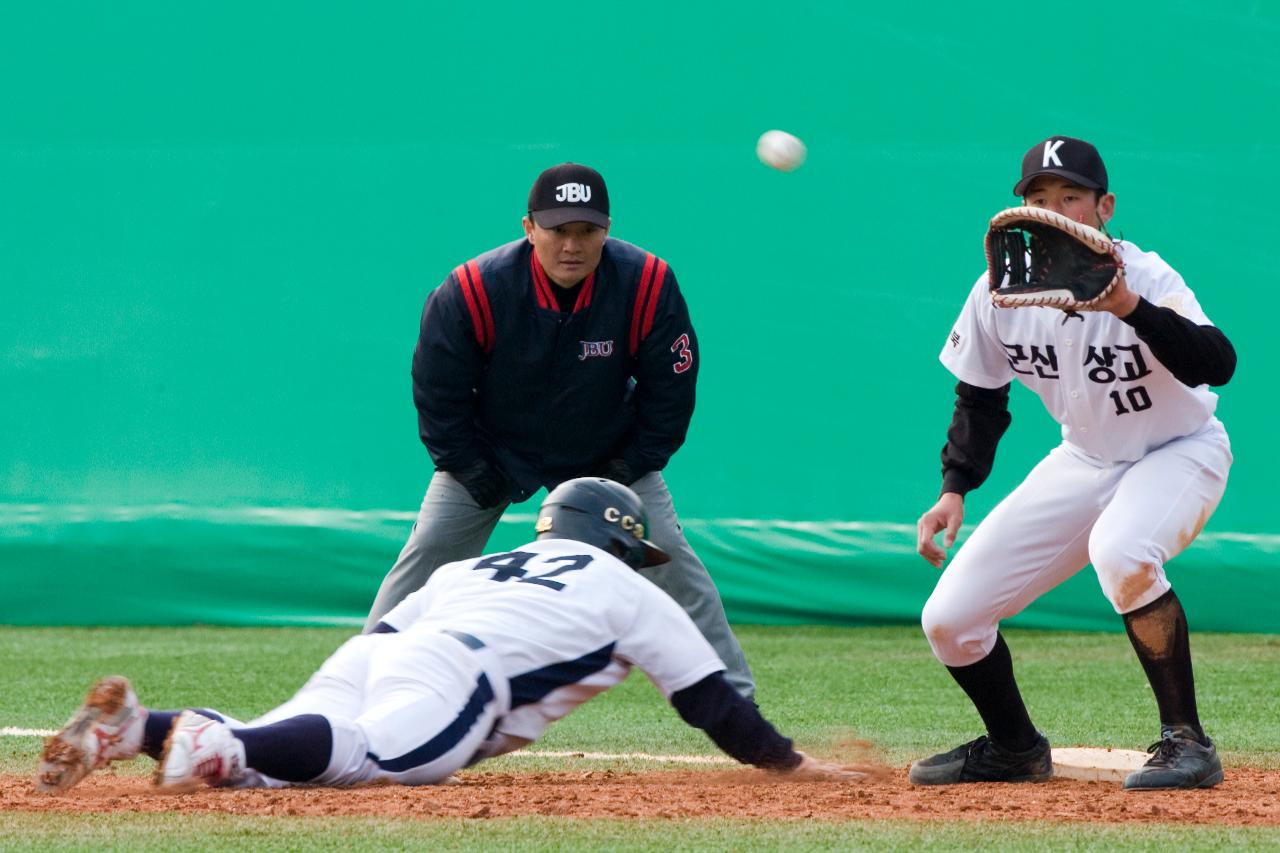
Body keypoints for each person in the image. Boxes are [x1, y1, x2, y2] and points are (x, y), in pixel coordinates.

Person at [36, 479, 858, 794]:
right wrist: (789, 762)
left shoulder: (483, 564)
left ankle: (135, 728)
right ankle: (216, 744)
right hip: (458, 679)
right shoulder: (621, 586)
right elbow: (712, 702)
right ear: (615, 539)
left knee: (286, 759)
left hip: (380, 649)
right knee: (364, 755)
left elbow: (386, 635)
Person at [911, 136, 1236, 790]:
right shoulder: (1000, 292)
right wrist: (954, 488)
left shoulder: (1144, 277)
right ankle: (1015, 748)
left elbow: (1216, 361)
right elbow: (980, 395)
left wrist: (1128, 308)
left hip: (1181, 450)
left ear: (1104, 206)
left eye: (1071, 197)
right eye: (1038, 198)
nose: (1053, 208)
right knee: (948, 618)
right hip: (1085, 461)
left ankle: (1188, 742)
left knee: (1122, 550)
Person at [363, 162, 753, 698]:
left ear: (607, 230)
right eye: (557, 230)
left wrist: (629, 466)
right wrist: (471, 466)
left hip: (607, 454)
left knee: (672, 562)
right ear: (529, 229)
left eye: (587, 231)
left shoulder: (646, 284)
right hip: (492, 452)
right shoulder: (473, 289)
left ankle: (736, 700)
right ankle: (358, 693)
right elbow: (438, 392)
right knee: (427, 555)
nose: (572, 245)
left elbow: (671, 391)